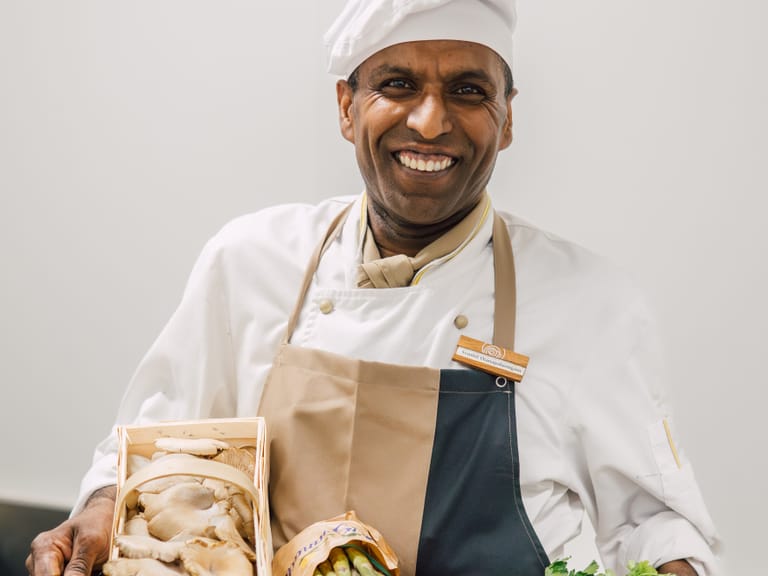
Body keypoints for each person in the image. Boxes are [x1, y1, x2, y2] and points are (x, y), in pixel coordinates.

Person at [26, 0, 722, 575]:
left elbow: (654, 526)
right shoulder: (249, 263)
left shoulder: (590, 303)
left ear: (508, 118)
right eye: (396, 84)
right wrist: (103, 505)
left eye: (468, 90)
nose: (430, 120)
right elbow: (154, 453)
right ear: (346, 107)